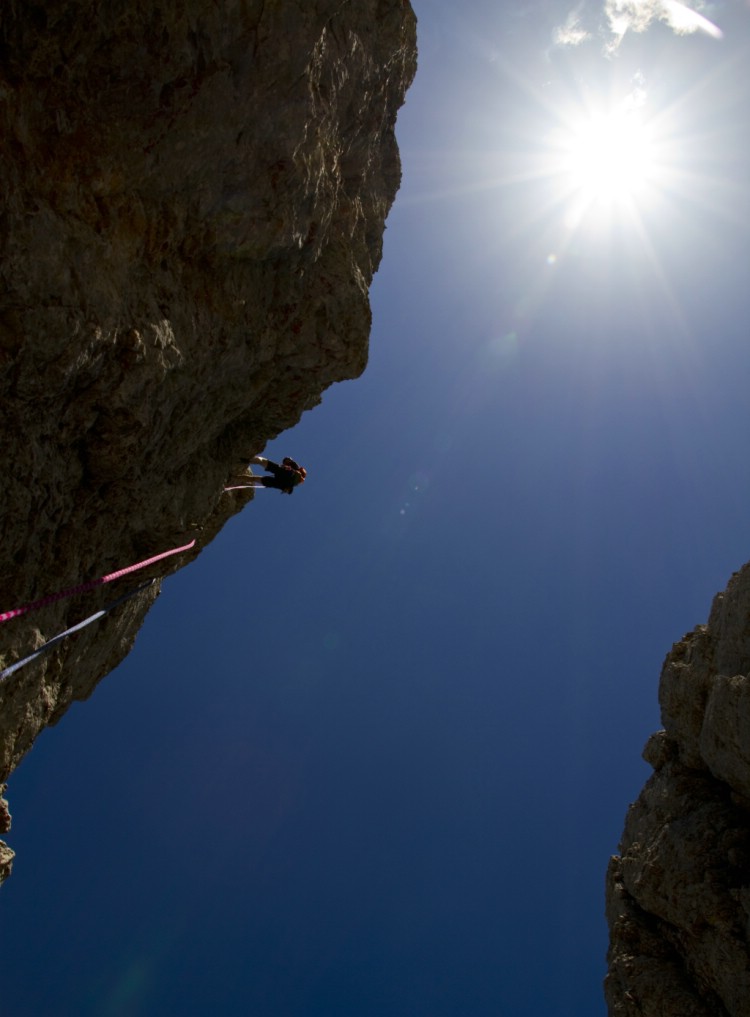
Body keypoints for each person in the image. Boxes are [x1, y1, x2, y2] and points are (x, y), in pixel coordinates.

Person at [243, 456, 307, 494]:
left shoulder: (292, 465)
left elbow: (287, 470)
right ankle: (236, 476)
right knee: (254, 478)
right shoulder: (296, 471)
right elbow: (290, 488)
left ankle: (248, 460)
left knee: (262, 461)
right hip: (280, 482)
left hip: (281, 474)